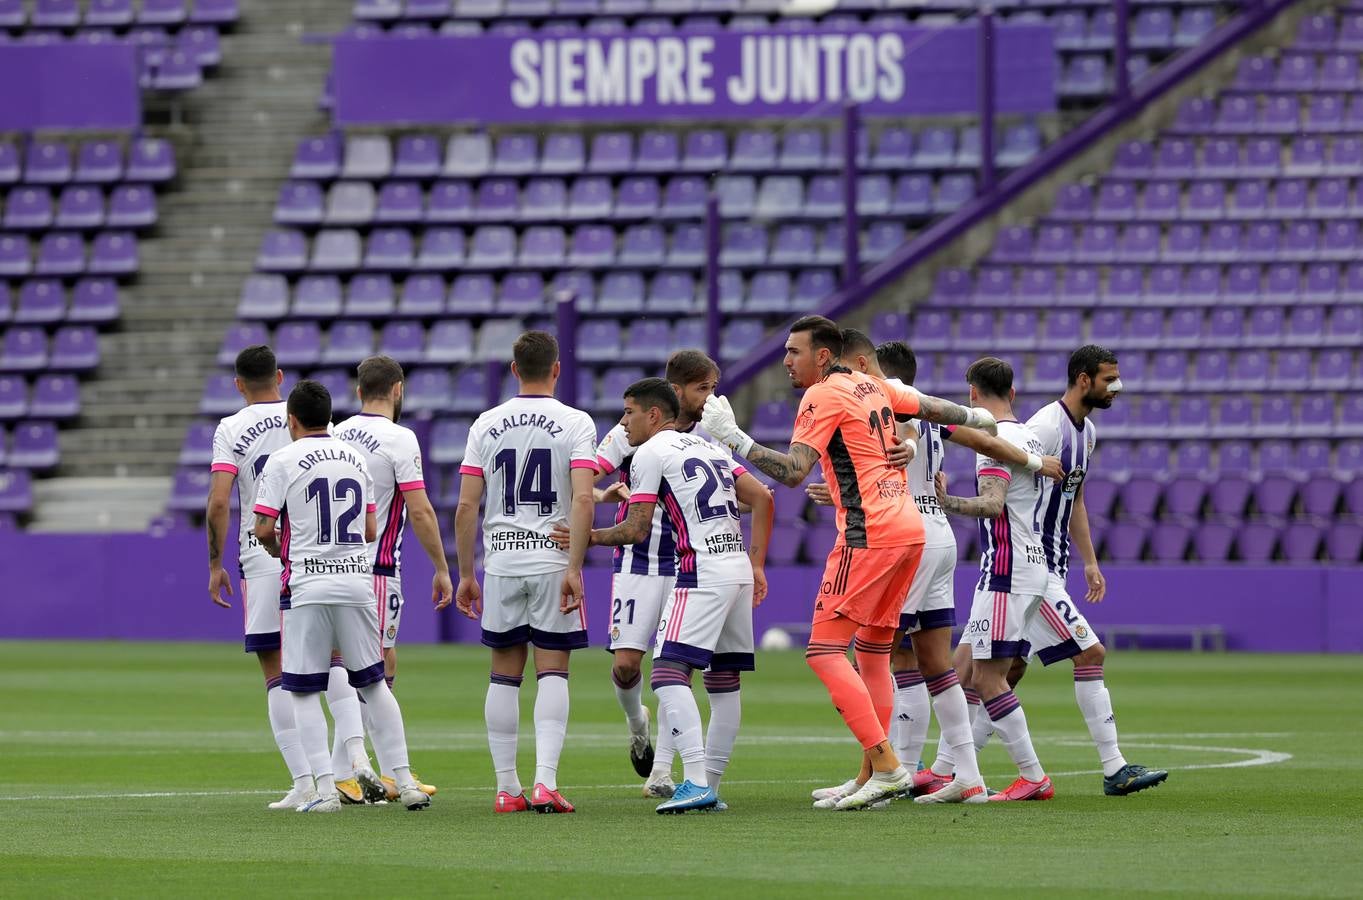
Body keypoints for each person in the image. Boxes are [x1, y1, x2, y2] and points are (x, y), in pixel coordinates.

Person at [701, 315, 1001, 810]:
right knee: (874, 653)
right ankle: (873, 776)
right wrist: (975, 419)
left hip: (868, 536)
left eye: (794, 351)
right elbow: (929, 406)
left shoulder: (822, 394)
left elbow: (795, 472)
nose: (786, 361)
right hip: (909, 530)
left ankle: (886, 764)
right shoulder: (872, 385)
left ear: (823, 355)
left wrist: (734, 437)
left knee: (823, 651)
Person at [805, 332, 1063, 806]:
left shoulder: (879, 401)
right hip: (938, 533)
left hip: (901, 537)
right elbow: (976, 435)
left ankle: (883, 774)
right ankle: (964, 774)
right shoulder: (917, 406)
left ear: (868, 365)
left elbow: (900, 442)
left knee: (884, 658)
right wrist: (1033, 461)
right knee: (935, 664)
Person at [581, 378, 769, 813]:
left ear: (653, 415)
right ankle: (709, 786)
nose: (623, 422)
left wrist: (586, 537)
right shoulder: (708, 446)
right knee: (724, 684)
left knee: (666, 673)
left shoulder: (650, 451)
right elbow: (761, 497)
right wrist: (757, 562)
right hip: (736, 562)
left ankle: (697, 781)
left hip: (699, 568)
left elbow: (636, 528)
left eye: (629, 412)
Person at [995, 344, 1167, 796]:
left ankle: (950, 766)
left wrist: (1089, 560)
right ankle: (1115, 768)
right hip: (1032, 566)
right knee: (1090, 654)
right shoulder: (1044, 428)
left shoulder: (1086, 433)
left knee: (1005, 670)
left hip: (1053, 565)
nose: (1118, 387)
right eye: (1110, 378)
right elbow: (1007, 485)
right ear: (1083, 379)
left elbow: (1076, 499)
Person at [252, 380, 429, 813]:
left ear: (291, 420)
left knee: (305, 690)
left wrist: (280, 548)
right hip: (356, 583)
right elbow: (371, 530)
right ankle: (404, 781)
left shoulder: (282, 459)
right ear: (329, 417)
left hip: (308, 586)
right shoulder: (354, 457)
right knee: (373, 685)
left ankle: (326, 790)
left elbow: (261, 528)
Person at [207, 345, 367, 810]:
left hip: (261, 554)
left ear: (239, 384)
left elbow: (220, 502)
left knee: (277, 671)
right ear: (279, 376)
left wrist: (216, 565)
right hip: (320, 553)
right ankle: (352, 764)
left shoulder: (231, 428)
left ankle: (306, 782)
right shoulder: (312, 416)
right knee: (333, 661)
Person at [453, 331, 597, 814]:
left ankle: (505, 788)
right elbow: (582, 497)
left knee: (503, 675)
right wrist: (575, 565)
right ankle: (545, 783)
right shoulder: (576, 423)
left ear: (514, 370)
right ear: (557, 369)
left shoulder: (485, 424)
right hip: (552, 561)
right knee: (553, 670)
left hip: (503, 562)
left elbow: (467, 505)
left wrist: (467, 572)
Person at [933, 357, 1054, 802]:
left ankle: (1033, 775)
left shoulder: (994, 440)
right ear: (1013, 393)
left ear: (973, 394)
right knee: (961, 669)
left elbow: (992, 505)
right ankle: (947, 770)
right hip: (1028, 563)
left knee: (985, 677)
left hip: (1006, 566)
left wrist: (946, 501)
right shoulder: (1030, 437)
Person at [334, 355, 453, 802]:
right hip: (376, 569)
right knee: (378, 667)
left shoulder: (336, 433)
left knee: (348, 669)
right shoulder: (400, 439)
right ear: (398, 389)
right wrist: (443, 567)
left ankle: (357, 771)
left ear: (359, 391)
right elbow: (419, 509)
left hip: (331, 566)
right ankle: (363, 773)